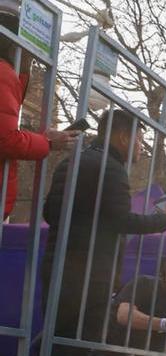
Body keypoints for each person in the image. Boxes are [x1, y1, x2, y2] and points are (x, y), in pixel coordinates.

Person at [42, 108, 166, 356]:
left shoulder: (73, 161)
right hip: (90, 267)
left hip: (60, 258)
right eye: (139, 140)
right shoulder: (111, 168)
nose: (140, 148)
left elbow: (51, 211)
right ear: (123, 137)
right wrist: (162, 217)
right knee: (75, 339)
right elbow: (122, 220)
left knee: (56, 334)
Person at [0, 8, 79, 218]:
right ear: (14, 46)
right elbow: (6, 139)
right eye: (29, 50)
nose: (32, 58)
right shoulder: (4, 74)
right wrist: (48, 143)